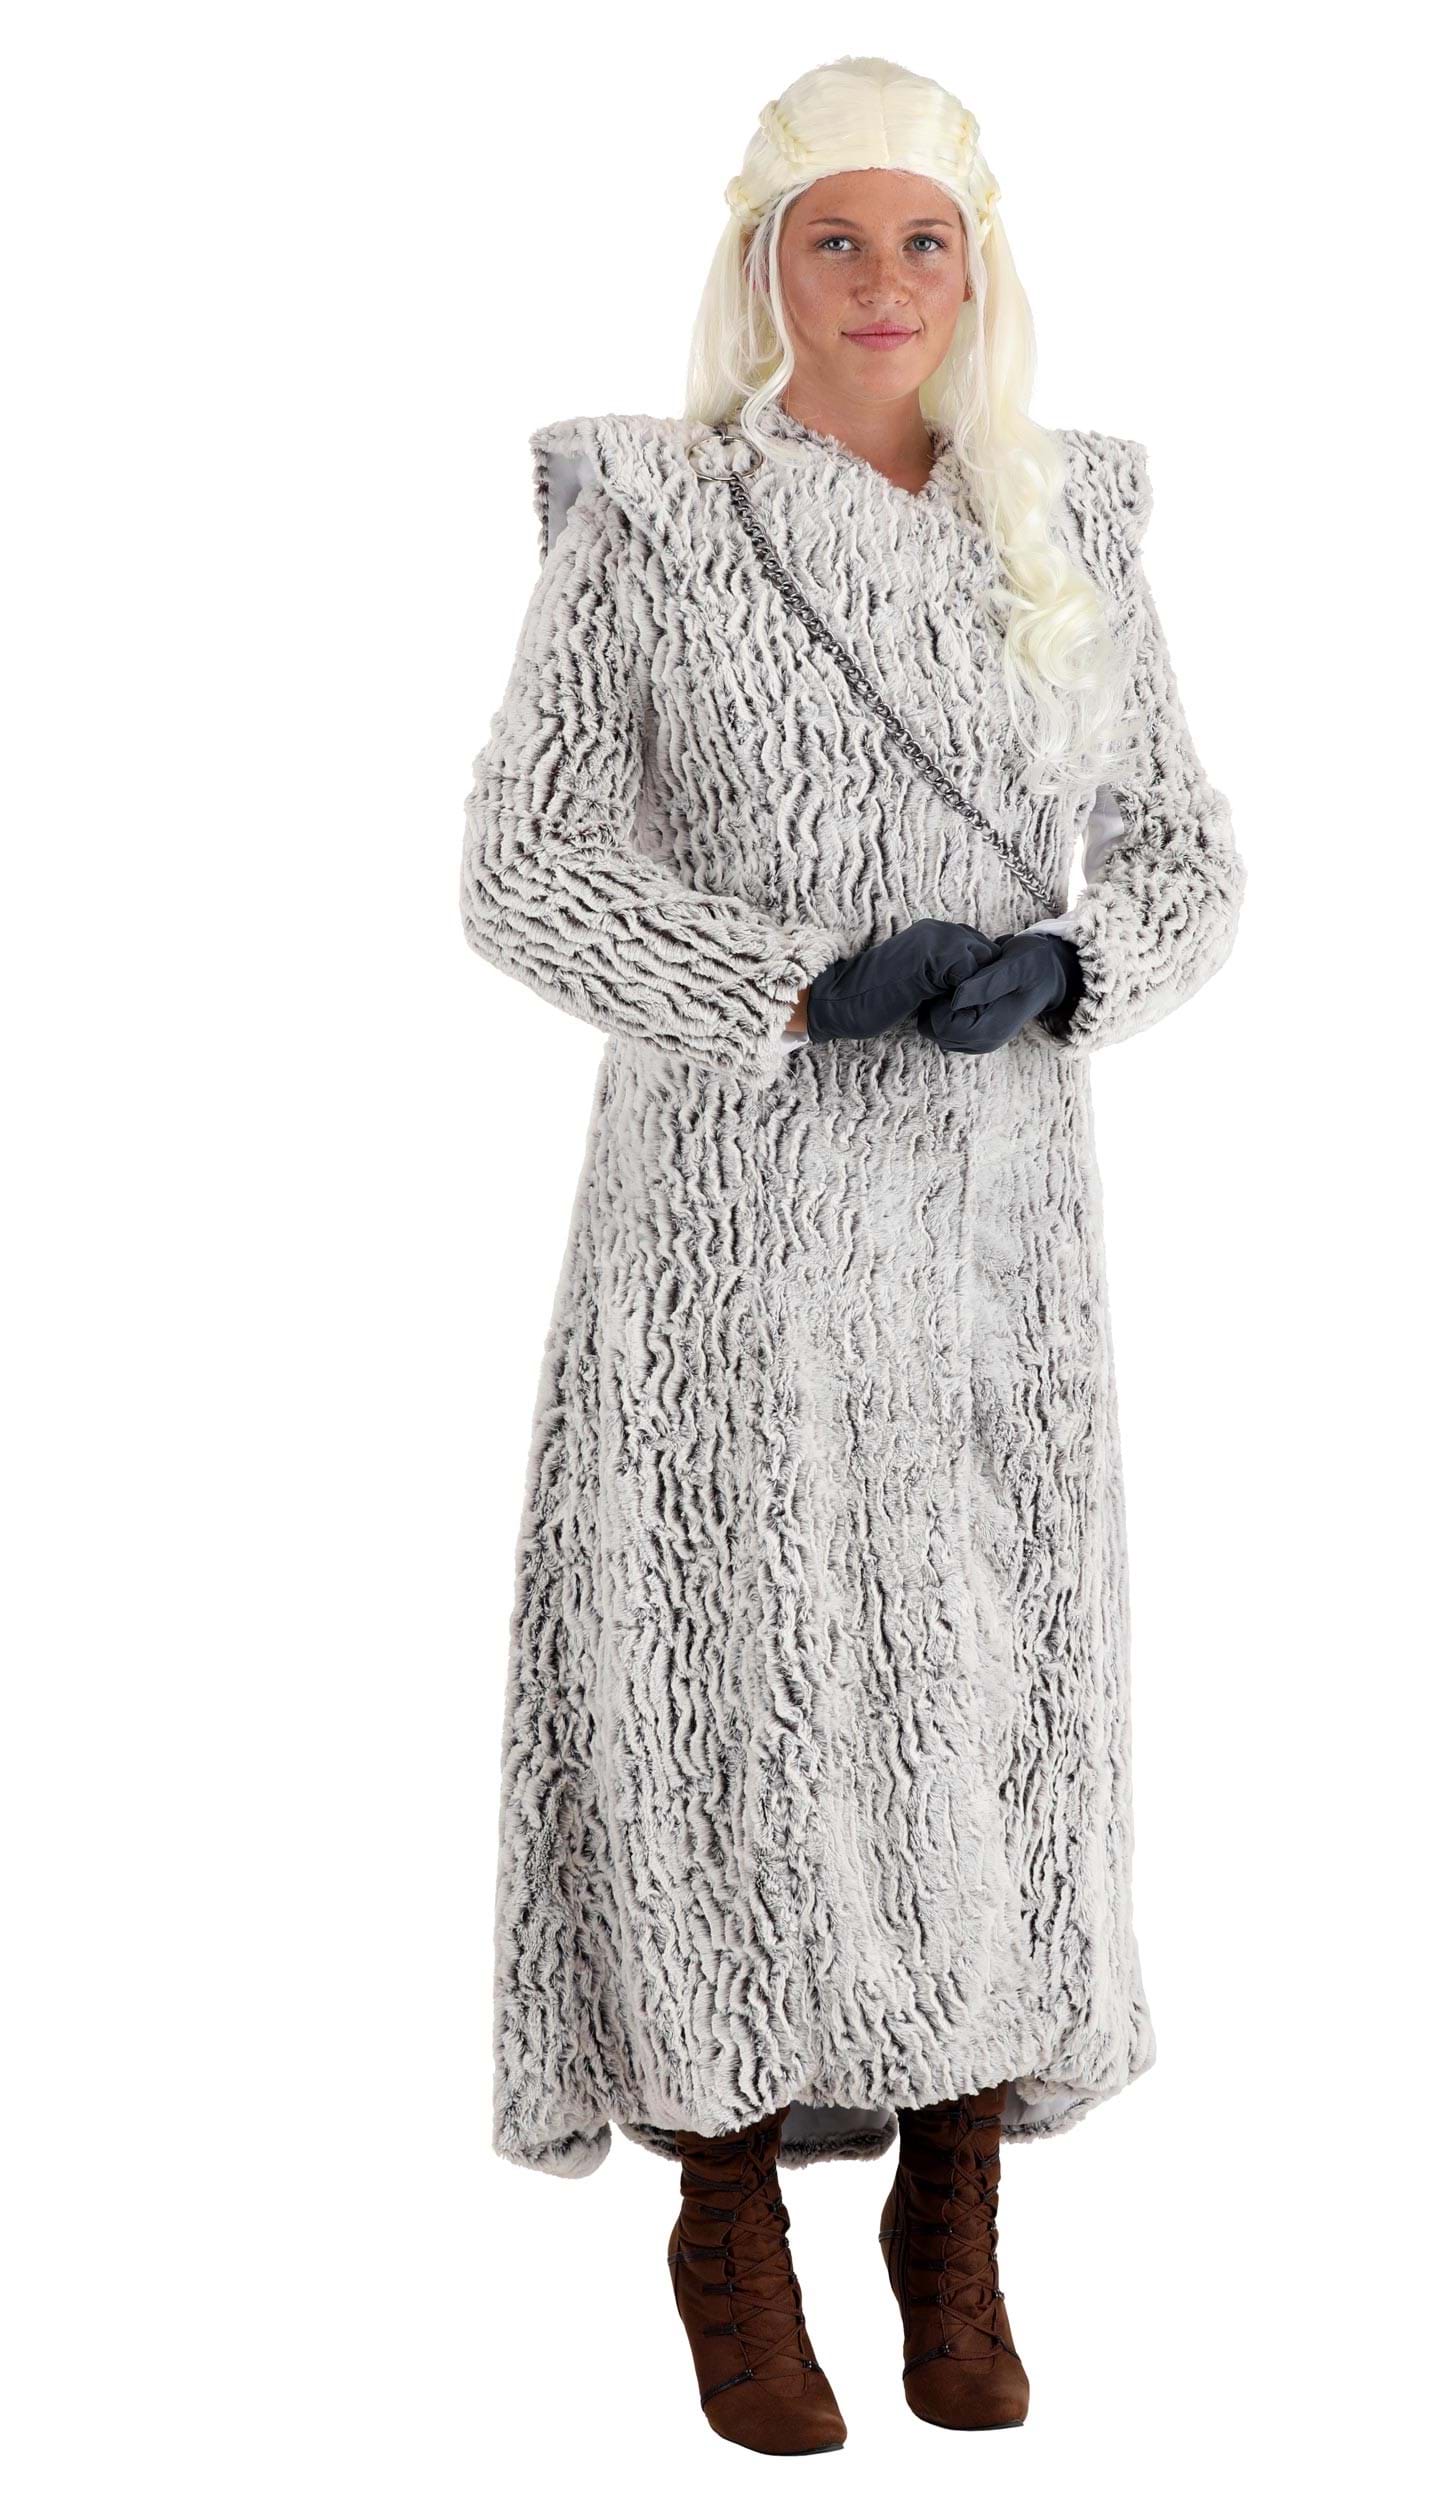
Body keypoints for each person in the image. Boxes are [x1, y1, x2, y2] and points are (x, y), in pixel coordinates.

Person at [460, 52, 1246, 2455]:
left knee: (987, 1675)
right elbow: (522, 865)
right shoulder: (653, 523)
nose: (880, 282)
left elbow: (1183, 848)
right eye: (834, 239)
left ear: (974, 269)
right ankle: (721, 2204)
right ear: (762, 263)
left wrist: (1080, 968)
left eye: (921, 240)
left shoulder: (1066, 527)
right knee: (720, 1666)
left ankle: (953, 2191)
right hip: (725, 1219)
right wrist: (793, 984)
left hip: (992, 1231)